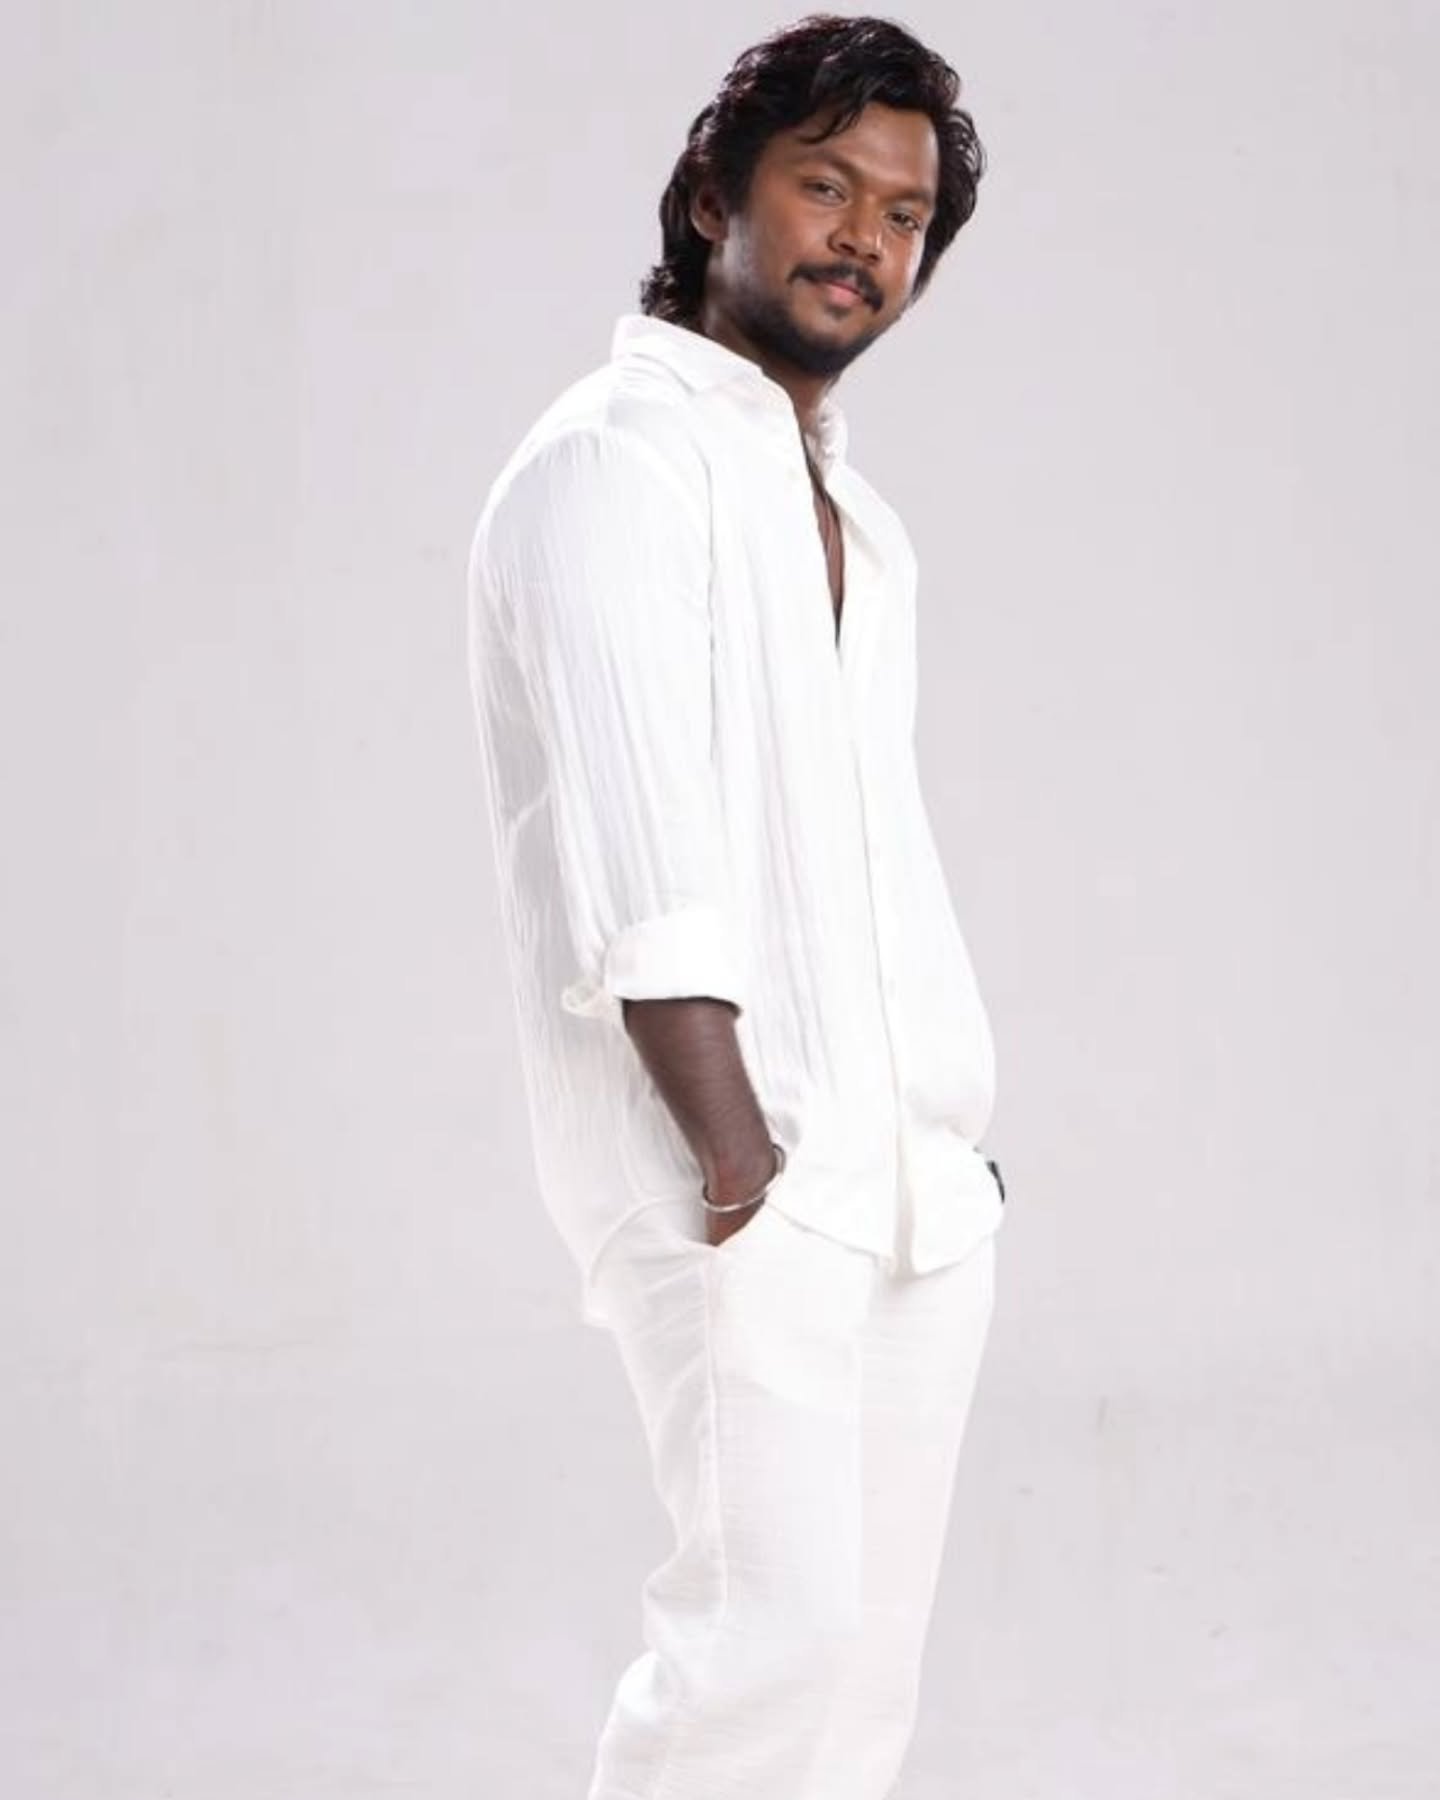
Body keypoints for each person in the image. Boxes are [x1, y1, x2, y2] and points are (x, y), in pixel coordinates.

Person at [466, 14, 1008, 1797]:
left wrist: (949, 1135)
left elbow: (866, 853)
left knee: (856, 1687)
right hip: (740, 1176)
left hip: (909, 1182)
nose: (866, 239)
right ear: (715, 196)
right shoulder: (615, 462)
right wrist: (734, 1162)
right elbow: (643, 852)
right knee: (756, 1659)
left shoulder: (855, 516)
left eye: (904, 216)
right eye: (826, 187)